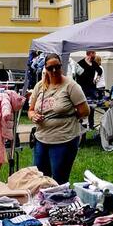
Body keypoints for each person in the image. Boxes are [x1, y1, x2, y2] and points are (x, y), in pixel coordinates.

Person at [28, 53, 89, 184]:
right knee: (40, 179)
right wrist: (33, 116)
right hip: (41, 139)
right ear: (45, 69)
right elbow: (30, 110)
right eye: (50, 68)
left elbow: (85, 111)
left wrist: (68, 117)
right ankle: (44, 204)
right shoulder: (39, 86)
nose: (54, 70)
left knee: (59, 180)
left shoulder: (71, 86)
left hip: (64, 140)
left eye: (57, 67)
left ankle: (61, 203)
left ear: (61, 67)